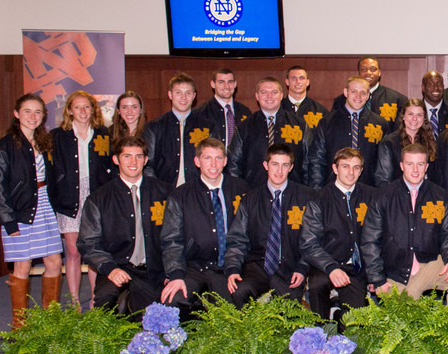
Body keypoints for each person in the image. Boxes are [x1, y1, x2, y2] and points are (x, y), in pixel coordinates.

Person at [0, 93, 64, 328]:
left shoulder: (44, 142)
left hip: (44, 208)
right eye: (27, 111)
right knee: (23, 265)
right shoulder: (4, 148)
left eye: (38, 112)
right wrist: (8, 222)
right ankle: (20, 324)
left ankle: (49, 320)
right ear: (16, 114)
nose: (33, 116)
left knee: (53, 261)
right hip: (19, 212)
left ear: (43, 116)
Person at [361, 143, 448, 303]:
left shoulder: (441, 196)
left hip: (430, 264)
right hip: (395, 269)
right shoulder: (383, 197)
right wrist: (377, 278)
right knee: (404, 319)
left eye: (420, 164)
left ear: (426, 166)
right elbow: (370, 241)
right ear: (401, 166)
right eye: (410, 164)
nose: (415, 170)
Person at [224, 143, 325, 311]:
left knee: (290, 310)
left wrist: (302, 268)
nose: (279, 171)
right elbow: (237, 239)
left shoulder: (307, 197)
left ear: (291, 167)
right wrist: (233, 268)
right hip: (258, 264)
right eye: (275, 164)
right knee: (239, 291)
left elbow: (313, 239)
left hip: (291, 266)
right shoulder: (250, 199)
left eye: (285, 165)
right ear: (266, 165)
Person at [78, 136, 171, 314]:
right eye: (127, 156)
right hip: (117, 266)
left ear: (145, 160)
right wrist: (110, 268)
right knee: (105, 298)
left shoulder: (165, 193)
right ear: (116, 159)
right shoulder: (99, 198)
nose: (133, 162)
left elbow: (176, 236)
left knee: (163, 315)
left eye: (138, 156)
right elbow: (88, 242)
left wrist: (173, 271)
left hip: (155, 268)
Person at [159, 137, 250, 315]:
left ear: (225, 161)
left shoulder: (242, 189)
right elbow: (171, 240)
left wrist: (237, 266)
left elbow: (248, 232)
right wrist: (175, 275)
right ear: (197, 161)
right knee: (174, 300)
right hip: (194, 267)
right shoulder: (180, 196)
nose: (213, 164)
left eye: (218, 158)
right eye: (207, 158)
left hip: (230, 266)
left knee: (232, 312)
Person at [50, 90, 113, 309]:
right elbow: (51, 169)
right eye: (77, 107)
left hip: (96, 197)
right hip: (69, 198)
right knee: (74, 251)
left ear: (93, 109)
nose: (83, 111)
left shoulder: (103, 133)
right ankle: (75, 299)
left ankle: (96, 298)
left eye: (86, 106)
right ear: (69, 110)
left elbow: (109, 167)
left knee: (95, 251)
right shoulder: (58, 136)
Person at [300, 147, 375, 326]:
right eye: (345, 166)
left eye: (356, 167)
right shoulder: (319, 200)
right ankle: (321, 330)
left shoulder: (372, 197)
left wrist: (375, 274)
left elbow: (378, 239)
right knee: (317, 284)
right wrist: (331, 267)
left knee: (354, 328)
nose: (351, 172)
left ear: (361, 171)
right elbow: (309, 244)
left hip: (356, 267)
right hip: (327, 264)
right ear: (335, 169)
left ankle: (341, 320)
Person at [227, 77, 311, 187]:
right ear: (257, 96)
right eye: (264, 92)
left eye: (274, 92)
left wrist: (307, 190)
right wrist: (238, 190)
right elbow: (234, 164)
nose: (269, 96)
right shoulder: (244, 127)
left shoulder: (299, 125)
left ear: (281, 95)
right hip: (254, 190)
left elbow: (309, 162)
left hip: (292, 191)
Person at [308, 76, 387, 188]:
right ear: (345, 92)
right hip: (333, 188)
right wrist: (317, 190)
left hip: (368, 190)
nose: (358, 96)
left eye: (363, 93)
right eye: (354, 91)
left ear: (368, 96)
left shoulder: (380, 124)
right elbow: (317, 159)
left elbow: (384, 164)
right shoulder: (327, 122)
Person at [142, 73, 213, 187]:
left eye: (188, 93)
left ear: (194, 96)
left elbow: (214, 161)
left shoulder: (207, 127)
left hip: (198, 191)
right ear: (170, 94)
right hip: (164, 190)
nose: (183, 97)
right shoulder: (154, 127)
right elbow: (147, 164)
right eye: (178, 92)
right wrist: (157, 189)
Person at [331, 56, 408, 132]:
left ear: (379, 72)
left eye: (373, 69)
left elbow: (400, 130)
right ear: (359, 72)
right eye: (363, 69)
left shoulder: (396, 99)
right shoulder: (341, 100)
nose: (368, 73)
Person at [376, 98, 436, 185]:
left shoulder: (430, 141)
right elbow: (383, 179)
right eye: (410, 114)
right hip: (396, 195)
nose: (414, 119)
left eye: (419, 115)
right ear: (403, 116)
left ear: (424, 118)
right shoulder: (389, 143)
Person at [198, 68, 252, 147]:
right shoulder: (201, 112)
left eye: (230, 82)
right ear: (213, 84)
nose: (226, 86)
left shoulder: (245, 112)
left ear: (235, 84)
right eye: (221, 82)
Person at [283, 64, 328, 132]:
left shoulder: (320, 111)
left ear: (307, 82)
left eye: (301, 78)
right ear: (287, 82)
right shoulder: (278, 108)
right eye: (293, 78)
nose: (298, 82)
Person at [420, 71, 448, 139]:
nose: (436, 88)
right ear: (423, 87)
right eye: (431, 84)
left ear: (443, 87)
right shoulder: (415, 113)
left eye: (439, 84)